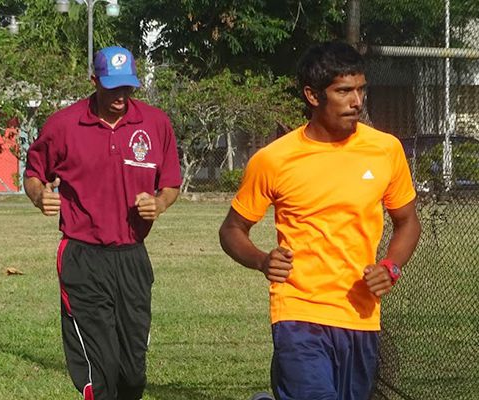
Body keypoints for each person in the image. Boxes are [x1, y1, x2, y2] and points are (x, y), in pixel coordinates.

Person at [218, 41, 421, 400]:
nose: (356, 101)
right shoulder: (274, 160)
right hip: (298, 313)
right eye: (343, 91)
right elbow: (232, 229)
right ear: (313, 95)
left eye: (361, 89)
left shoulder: (386, 150)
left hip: (360, 316)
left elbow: (407, 222)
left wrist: (390, 266)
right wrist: (262, 260)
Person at [24, 46, 183, 400]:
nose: (121, 97)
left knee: (132, 374)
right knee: (101, 371)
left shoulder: (155, 123)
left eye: (127, 88)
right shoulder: (64, 125)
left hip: (132, 258)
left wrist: (158, 203)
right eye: (112, 88)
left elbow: (170, 183)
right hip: (83, 257)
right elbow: (34, 173)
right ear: (94, 81)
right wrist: (39, 196)